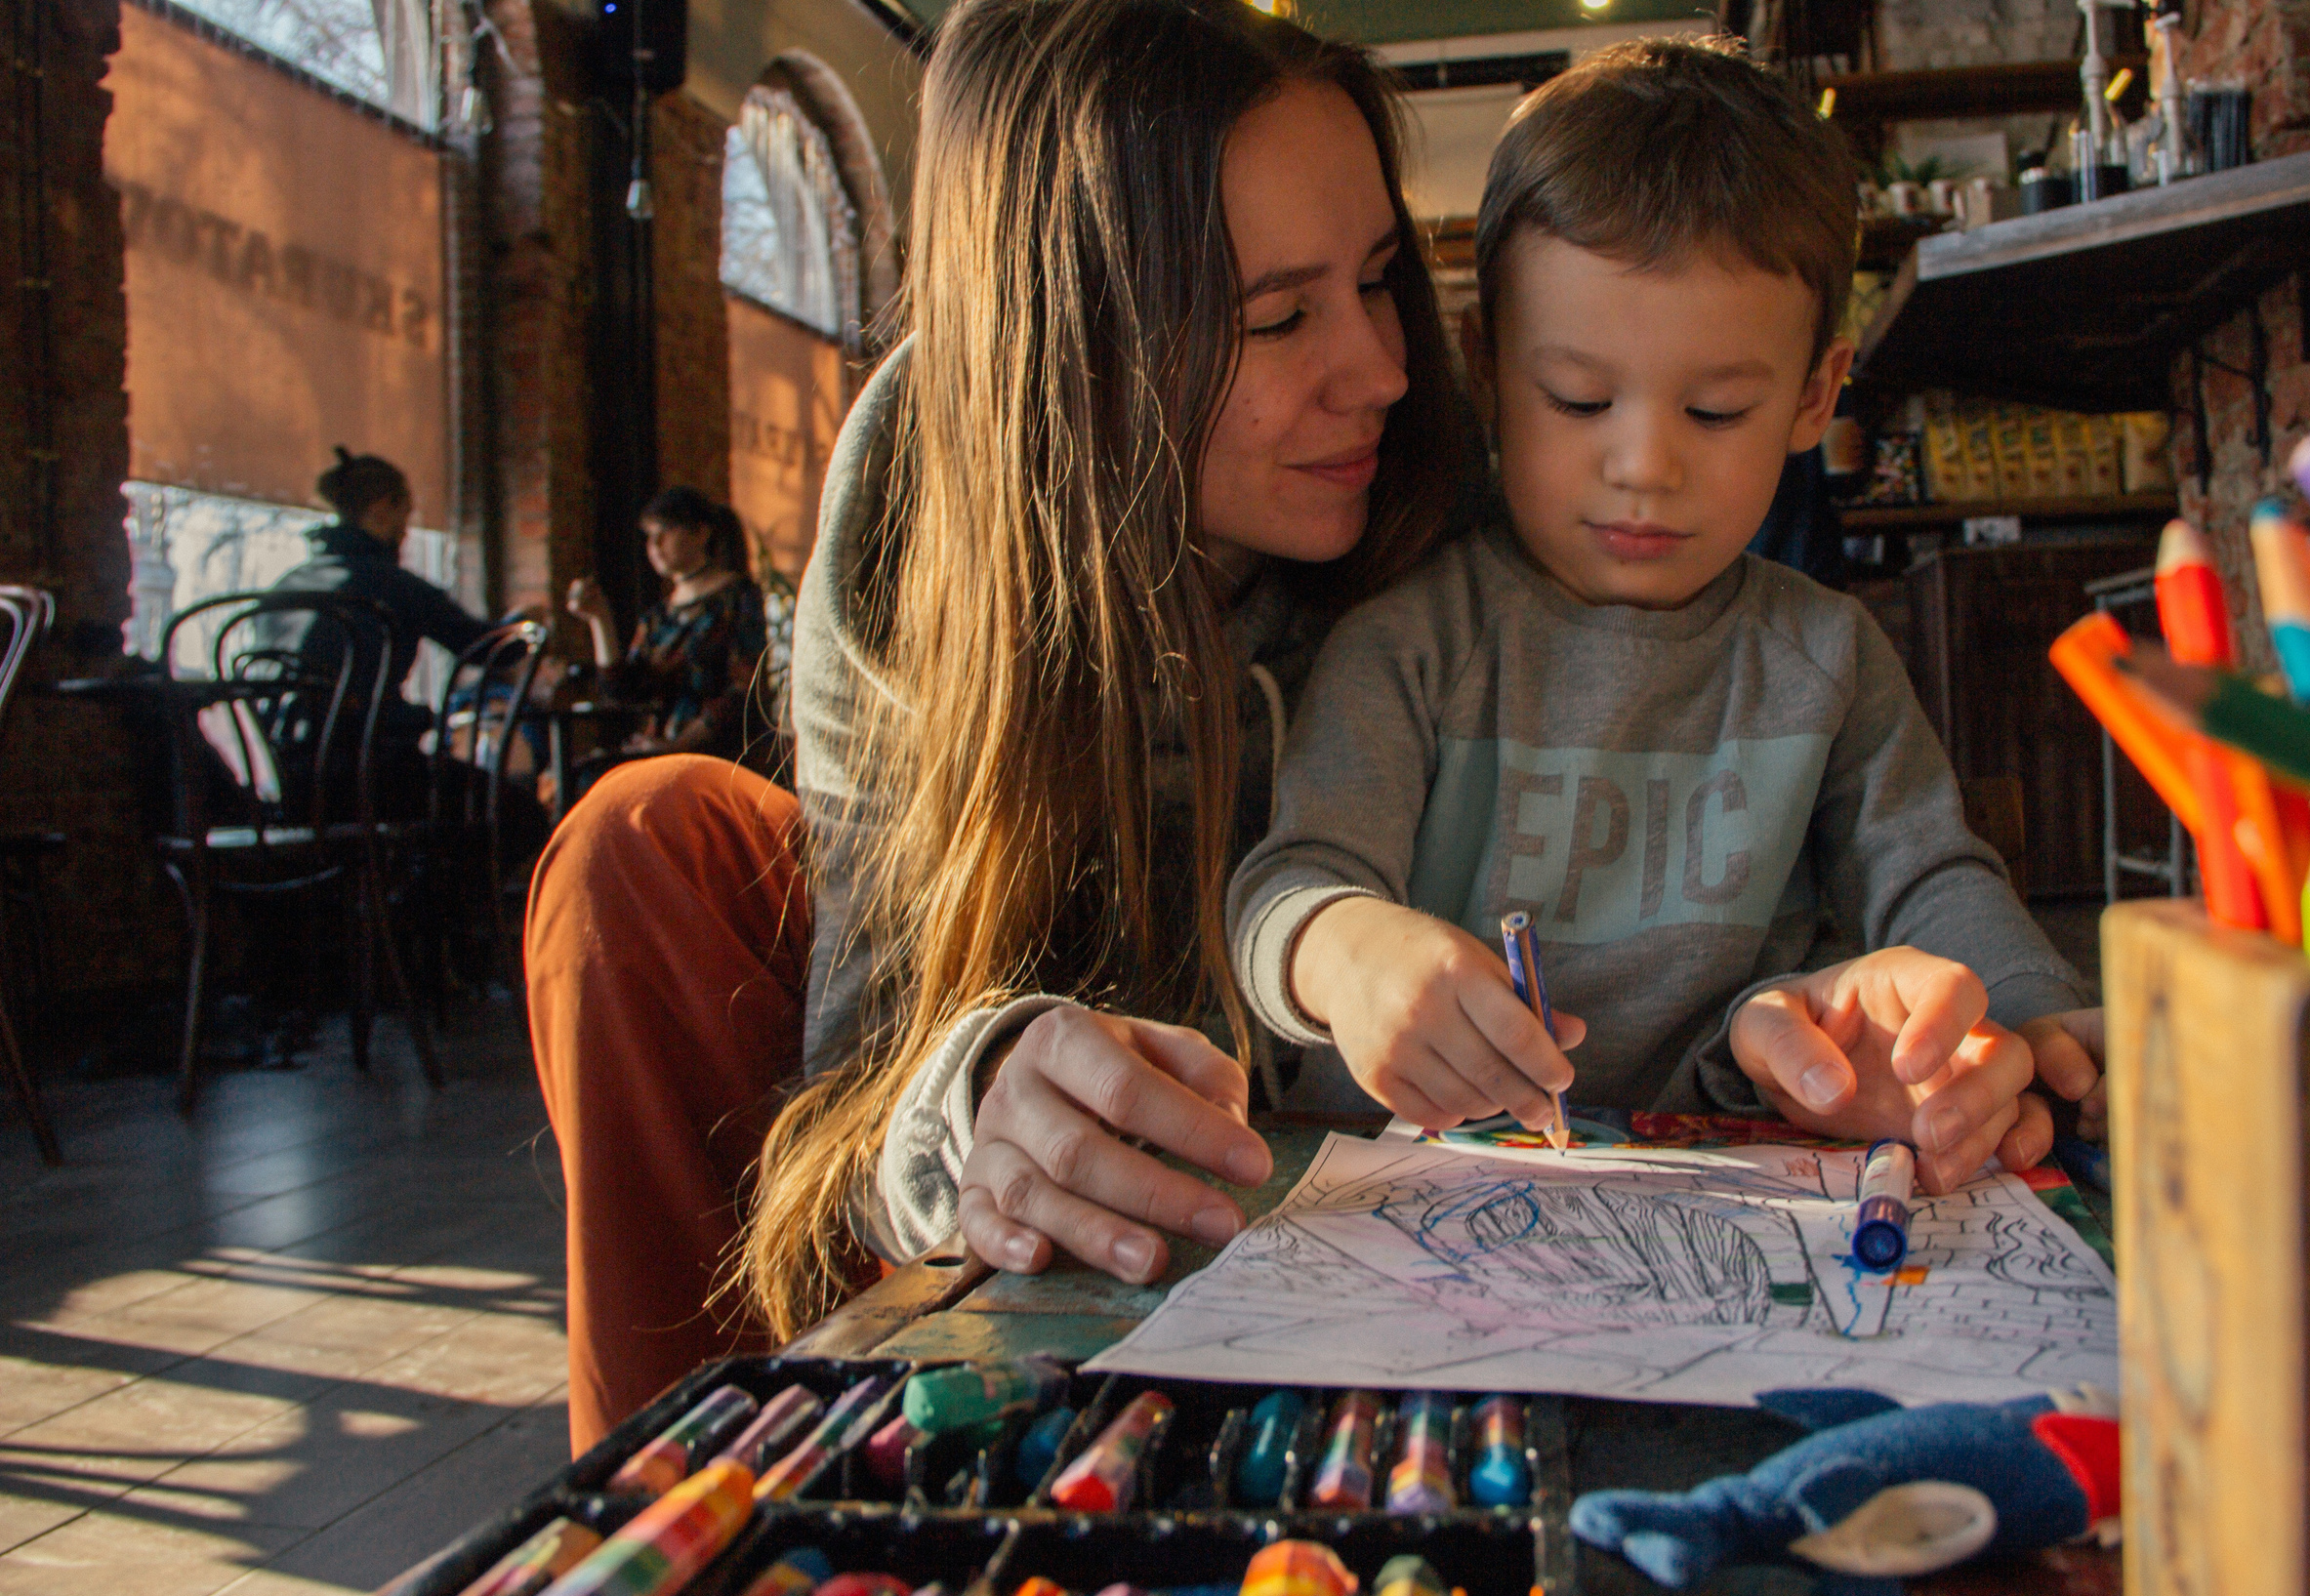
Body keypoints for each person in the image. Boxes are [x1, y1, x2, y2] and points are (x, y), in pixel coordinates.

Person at [524, 0, 2083, 1453]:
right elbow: (863, 1066)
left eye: (1382, 279)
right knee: (646, 844)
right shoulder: (920, 502)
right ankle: (672, 1514)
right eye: (1278, 318)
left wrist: (1945, 1027)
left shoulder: (1473, 473)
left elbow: (1814, 838)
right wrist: (979, 1092)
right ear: (1085, 350)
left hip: (1404, 1181)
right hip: (1121, 1110)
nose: (1385, 372)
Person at [1229, 40, 2107, 1194]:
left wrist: (2038, 1017)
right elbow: (1289, 881)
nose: (1643, 466)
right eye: (1578, 398)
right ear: (1486, 367)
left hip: (1735, 1176)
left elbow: (1927, 877)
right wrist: (1344, 950)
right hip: (1411, 1187)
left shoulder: (1826, 655)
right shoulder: (1409, 642)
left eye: (1715, 410)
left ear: (1812, 397)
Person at [274, 449, 490, 764]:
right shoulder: (395, 586)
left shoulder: (286, 586)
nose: (406, 532)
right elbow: (483, 648)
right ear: (381, 510)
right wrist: (526, 626)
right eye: (406, 516)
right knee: (504, 794)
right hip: (370, 765)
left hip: (288, 766)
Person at [561, 488, 776, 779]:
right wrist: (600, 619)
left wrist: (677, 747)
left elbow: (744, 692)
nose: (654, 545)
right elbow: (623, 691)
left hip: (721, 759)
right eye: (649, 536)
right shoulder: (659, 616)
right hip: (660, 752)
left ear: (701, 533)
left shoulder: (739, 598)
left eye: (666, 532)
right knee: (579, 777)